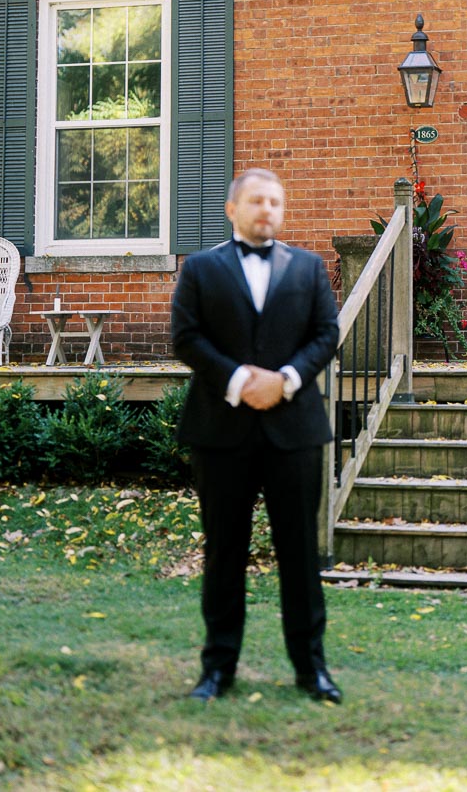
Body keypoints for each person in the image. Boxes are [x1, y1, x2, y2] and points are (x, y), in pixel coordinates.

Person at [171, 167, 342, 703]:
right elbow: (185, 336)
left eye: (274, 201)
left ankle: (311, 669)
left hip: (295, 431)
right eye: (255, 200)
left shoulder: (309, 268)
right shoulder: (200, 269)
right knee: (225, 553)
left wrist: (285, 381)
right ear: (233, 209)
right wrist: (241, 379)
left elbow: (326, 334)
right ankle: (217, 669)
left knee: (300, 555)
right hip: (221, 432)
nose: (266, 209)